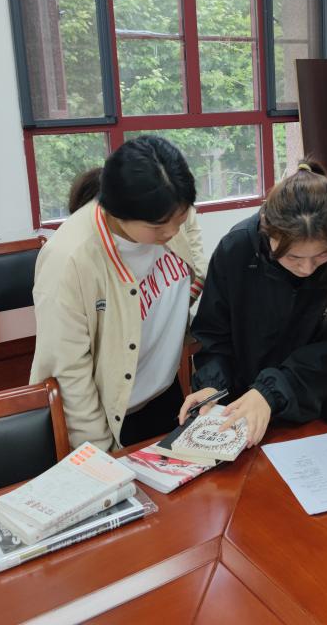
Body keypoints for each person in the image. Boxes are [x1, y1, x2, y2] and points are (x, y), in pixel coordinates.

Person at [180, 160, 327, 448]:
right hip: (236, 407)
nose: (307, 269)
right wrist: (212, 385)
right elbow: (214, 333)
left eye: (322, 255)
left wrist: (270, 392)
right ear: (268, 233)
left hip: (311, 404)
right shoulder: (237, 249)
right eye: (293, 258)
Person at [30, 135, 207, 451]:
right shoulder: (70, 258)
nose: (171, 233)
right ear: (117, 212)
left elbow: (192, 274)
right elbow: (69, 374)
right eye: (159, 227)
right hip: (109, 419)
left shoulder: (169, 211)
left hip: (164, 397)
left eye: (180, 220)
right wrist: (102, 455)